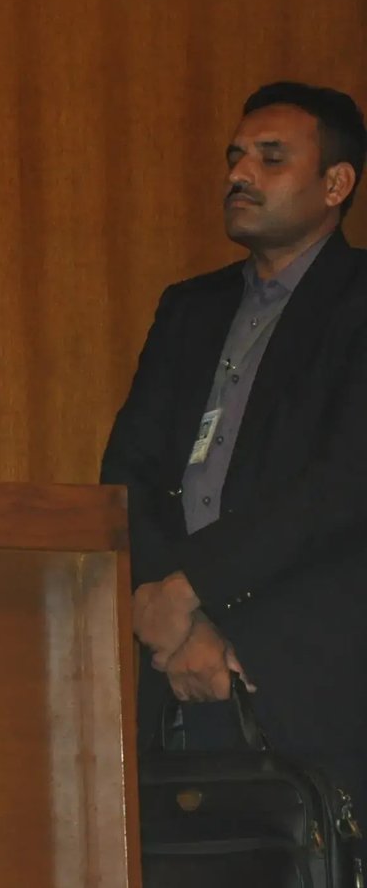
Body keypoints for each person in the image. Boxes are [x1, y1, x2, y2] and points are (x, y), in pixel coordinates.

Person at [101, 81, 367, 802]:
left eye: (271, 158)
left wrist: (190, 590)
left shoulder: (356, 302)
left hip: (304, 672)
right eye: (235, 157)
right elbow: (127, 471)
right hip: (173, 664)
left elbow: (342, 484)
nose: (239, 173)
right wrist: (171, 619)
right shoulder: (190, 307)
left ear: (336, 184)